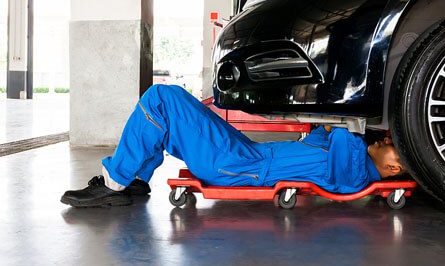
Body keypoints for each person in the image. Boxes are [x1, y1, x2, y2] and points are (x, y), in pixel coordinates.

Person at [61, 85, 405, 207]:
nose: (387, 140)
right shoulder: (352, 156)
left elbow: (343, 123)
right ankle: (135, 179)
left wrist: (347, 117)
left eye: (395, 149)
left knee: (162, 98)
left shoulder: (356, 173)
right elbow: (327, 127)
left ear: (392, 169)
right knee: (170, 109)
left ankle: (115, 182)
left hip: (238, 164)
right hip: (245, 152)